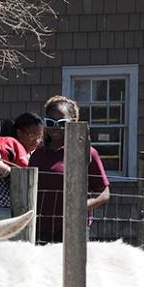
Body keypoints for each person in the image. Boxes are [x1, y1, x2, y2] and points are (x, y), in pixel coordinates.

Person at [28, 95, 110, 243]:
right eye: (51, 122)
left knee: (71, 267)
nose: (56, 127)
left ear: (73, 122)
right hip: (39, 228)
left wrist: (82, 206)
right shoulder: (38, 154)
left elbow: (104, 194)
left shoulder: (87, 153)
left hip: (72, 228)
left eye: (62, 122)